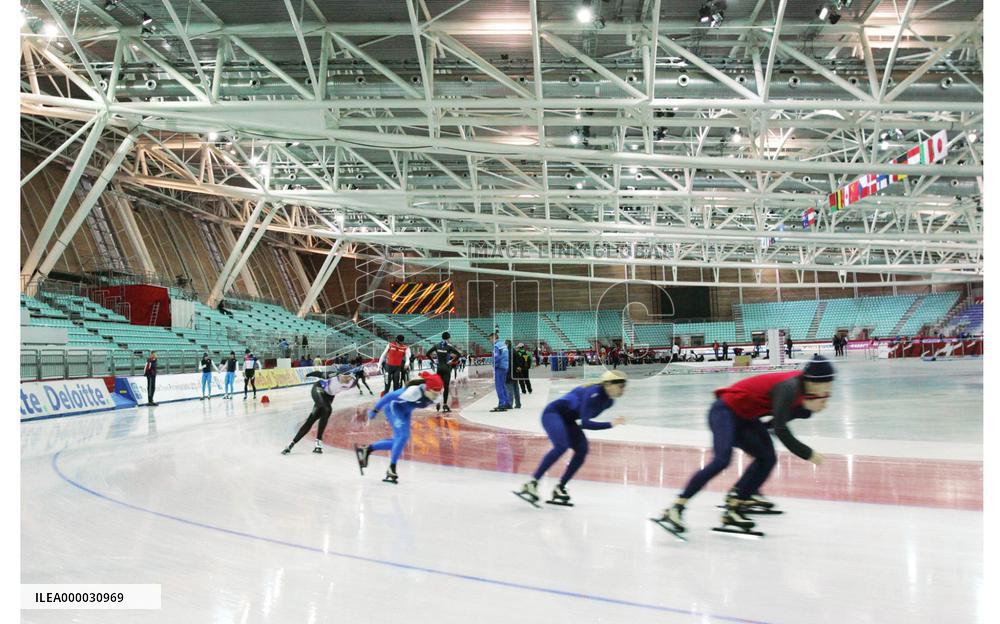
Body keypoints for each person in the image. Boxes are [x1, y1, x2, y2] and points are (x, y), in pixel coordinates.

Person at [654, 355, 834, 535]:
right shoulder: (789, 387)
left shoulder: (805, 394)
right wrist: (808, 453)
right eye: (826, 387)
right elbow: (780, 428)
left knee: (767, 458)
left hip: (746, 418)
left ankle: (736, 505)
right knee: (722, 460)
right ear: (813, 382)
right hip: (724, 411)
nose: (828, 392)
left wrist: (799, 414)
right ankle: (676, 508)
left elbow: (774, 422)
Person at [516, 371, 628, 506]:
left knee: (582, 449)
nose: (623, 389)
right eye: (621, 386)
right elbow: (586, 423)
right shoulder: (594, 393)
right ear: (609, 384)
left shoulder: (609, 402)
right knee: (562, 445)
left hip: (568, 420)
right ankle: (532, 483)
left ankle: (560, 487)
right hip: (553, 413)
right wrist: (611, 424)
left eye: (624, 386)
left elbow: (581, 421)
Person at [354, 371, 444, 484]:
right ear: (427, 388)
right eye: (434, 392)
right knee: (402, 436)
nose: (437, 395)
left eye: (438, 392)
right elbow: (388, 396)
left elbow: (433, 396)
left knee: (400, 441)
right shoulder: (412, 392)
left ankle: (367, 449)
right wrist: (375, 410)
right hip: (393, 407)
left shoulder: (436, 396)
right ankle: (392, 469)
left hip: (406, 412)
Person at [282, 365, 358, 455]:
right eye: (347, 376)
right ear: (340, 375)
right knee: (328, 409)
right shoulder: (332, 375)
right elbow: (319, 373)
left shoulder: (353, 382)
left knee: (313, 418)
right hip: (318, 388)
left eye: (350, 375)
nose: (349, 378)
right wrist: (308, 375)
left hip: (329, 397)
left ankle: (291, 445)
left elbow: (361, 373)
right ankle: (318, 443)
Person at [426, 332, 463, 412]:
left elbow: (427, 354)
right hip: (446, 368)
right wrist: (451, 361)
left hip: (439, 368)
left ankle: (438, 402)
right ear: (448, 338)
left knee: (438, 387)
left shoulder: (437, 345)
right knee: (446, 387)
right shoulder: (449, 346)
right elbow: (459, 355)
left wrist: (433, 361)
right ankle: (445, 404)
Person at [490, 333, 510, 412]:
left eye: (491, 339)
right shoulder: (503, 345)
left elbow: (496, 357)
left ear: (494, 338)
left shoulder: (496, 346)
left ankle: (501, 404)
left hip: (499, 367)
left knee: (499, 386)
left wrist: (495, 366)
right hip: (505, 366)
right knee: (503, 385)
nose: (490, 341)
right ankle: (507, 403)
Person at [504, 339, 521, 409]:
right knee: (516, 388)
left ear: (507, 344)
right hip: (515, 373)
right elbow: (519, 361)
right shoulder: (514, 351)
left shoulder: (507, 352)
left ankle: (509, 404)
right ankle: (518, 404)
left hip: (508, 373)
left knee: (509, 388)